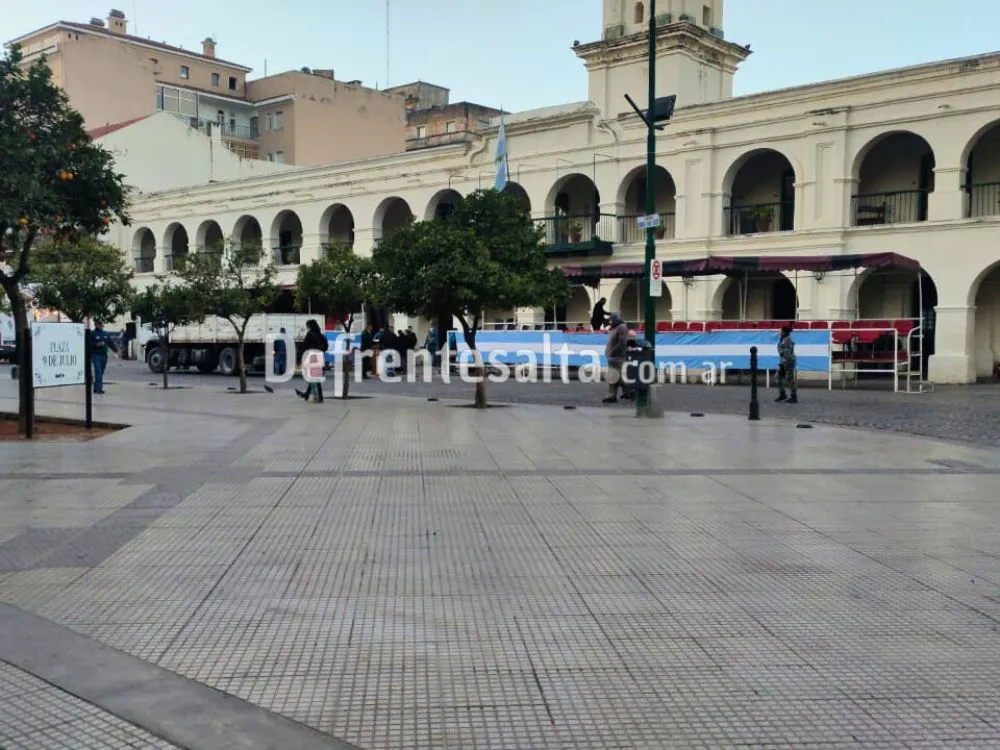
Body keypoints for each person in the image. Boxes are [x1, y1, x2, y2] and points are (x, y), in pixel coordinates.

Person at [296, 320, 328, 402]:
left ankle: (318, 396)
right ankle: (307, 395)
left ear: (310, 326)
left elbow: (304, 346)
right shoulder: (321, 335)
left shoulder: (310, 334)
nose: (307, 327)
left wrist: (299, 357)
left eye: (307, 326)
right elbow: (326, 346)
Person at [603, 313, 630, 403]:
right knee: (613, 375)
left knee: (616, 375)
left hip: (617, 356)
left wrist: (613, 351)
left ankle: (629, 389)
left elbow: (622, 342)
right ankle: (612, 395)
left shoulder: (622, 327)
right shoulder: (614, 327)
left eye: (611, 319)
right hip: (612, 356)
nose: (610, 321)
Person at [90, 322, 118, 394]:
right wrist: (96, 344)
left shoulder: (105, 333)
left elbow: (110, 342)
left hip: (104, 355)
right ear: (96, 325)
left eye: (102, 325)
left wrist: (116, 350)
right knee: (98, 371)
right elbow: (89, 344)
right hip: (96, 355)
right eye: (99, 324)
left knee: (101, 372)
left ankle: (96, 387)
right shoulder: (92, 334)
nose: (101, 326)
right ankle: (99, 389)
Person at [776, 325, 798, 403]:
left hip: (788, 362)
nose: (779, 332)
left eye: (780, 331)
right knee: (778, 377)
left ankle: (793, 396)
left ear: (784, 332)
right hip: (784, 361)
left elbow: (786, 353)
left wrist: (784, 363)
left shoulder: (787, 340)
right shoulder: (783, 339)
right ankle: (782, 394)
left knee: (789, 378)